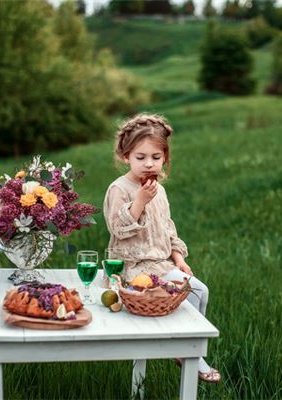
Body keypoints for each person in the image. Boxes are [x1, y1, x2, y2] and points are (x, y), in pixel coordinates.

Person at [103, 113, 221, 384]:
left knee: (199, 291)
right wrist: (140, 201)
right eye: (140, 157)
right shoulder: (119, 188)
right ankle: (188, 351)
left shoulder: (160, 190)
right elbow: (118, 230)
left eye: (155, 157)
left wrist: (178, 258)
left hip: (162, 264)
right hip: (133, 267)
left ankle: (185, 347)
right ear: (126, 156)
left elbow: (168, 228)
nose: (148, 163)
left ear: (164, 158)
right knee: (190, 292)